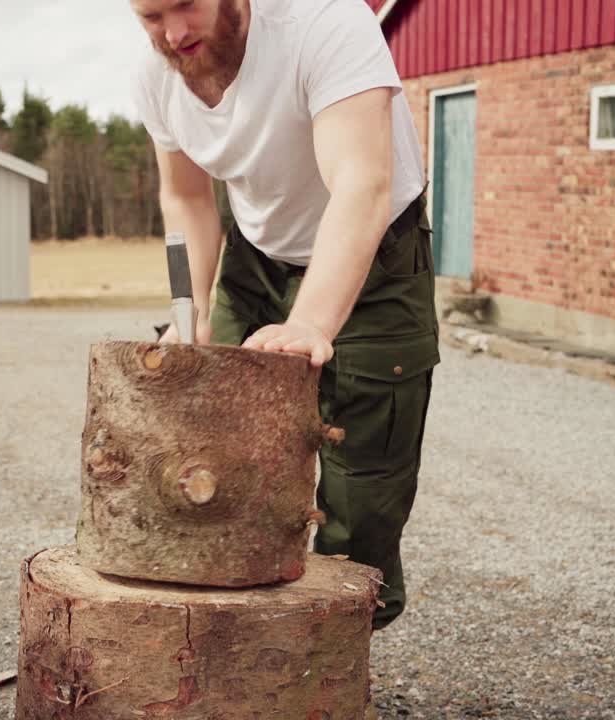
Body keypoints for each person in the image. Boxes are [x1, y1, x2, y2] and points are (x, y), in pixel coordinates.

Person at [131, 0, 438, 630]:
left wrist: (312, 323)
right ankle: (234, 642)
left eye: (186, 6)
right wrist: (188, 318)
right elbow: (186, 196)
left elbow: (362, 182)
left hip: (376, 252)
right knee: (215, 454)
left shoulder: (325, 21)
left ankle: (337, 655)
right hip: (256, 255)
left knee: (362, 492)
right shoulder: (155, 74)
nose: (174, 33)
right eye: (150, 16)